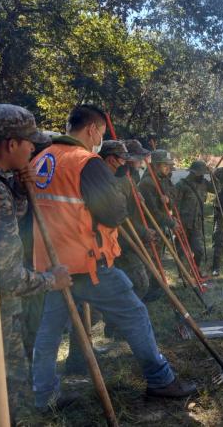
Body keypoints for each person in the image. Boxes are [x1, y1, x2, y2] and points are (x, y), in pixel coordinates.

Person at [31, 105, 195, 411]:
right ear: (92, 129)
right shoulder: (86, 162)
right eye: (101, 134)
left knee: (49, 332)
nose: (100, 140)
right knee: (135, 314)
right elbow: (114, 213)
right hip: (88, 264)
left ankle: (43, 396)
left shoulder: (41, 159)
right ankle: (160, 380)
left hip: (54, 266)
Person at [0, 104, 73, 425]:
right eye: (29, 142)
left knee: (9, 391)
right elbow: (4, 275)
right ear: (11, 144)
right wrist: (50, 280)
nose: (33, 148)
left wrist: (20, 191)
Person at [100, 140, 154, 305]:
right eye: (138, 158)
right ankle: (125, 314)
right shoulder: (117, 180)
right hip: (121, 239)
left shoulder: (130, 176)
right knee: (139, 283)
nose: (141, 161)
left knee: (139, 279)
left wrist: (136, 194)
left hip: (131, 236)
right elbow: (120, 217)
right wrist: (143, 231)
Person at [175, 161, 212, 275]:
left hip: (197, 223)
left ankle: (195, 270)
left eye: (203, 174)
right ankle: (183, 274)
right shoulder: (182, 185)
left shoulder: (204, 183)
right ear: (193, 173)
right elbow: (175, 205)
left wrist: (213, 175)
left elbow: (217, 188)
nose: (202, 176)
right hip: (183, 223)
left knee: (198, 250)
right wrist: (176, 221)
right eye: (200, 173)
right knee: (182, 251)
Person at [139, 149, 178, 235]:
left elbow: (175, 197)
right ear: (156, 166)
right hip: (152, 228)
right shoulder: (147, 183)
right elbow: (152, 212)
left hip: (163, 225)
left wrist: (168, 200)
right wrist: (171, 222)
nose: (168, 168)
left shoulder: (164, 179)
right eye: (165, 165)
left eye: (169, 165)